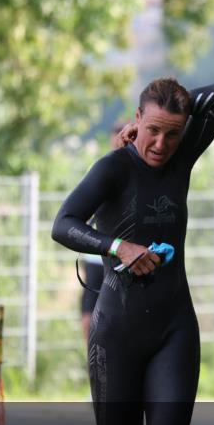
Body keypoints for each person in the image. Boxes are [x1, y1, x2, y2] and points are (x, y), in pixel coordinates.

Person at [51, 78, 214, 425]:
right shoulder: (113, 168)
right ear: (136, 119)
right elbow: (63, 224)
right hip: (117, 331)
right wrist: (117, 246)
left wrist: (170, 116)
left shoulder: (181, 158)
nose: (161, 144)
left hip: (174, 330)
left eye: (173, 133)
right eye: (152, 130)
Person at [79, 123, 128, 343]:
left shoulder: (137, 170)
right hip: (96, 255)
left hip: (124, 257)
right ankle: (91, 356)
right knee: (89, 313)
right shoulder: (100, 168)